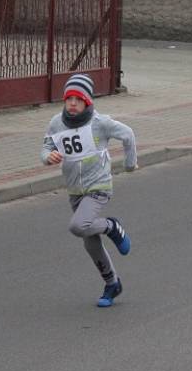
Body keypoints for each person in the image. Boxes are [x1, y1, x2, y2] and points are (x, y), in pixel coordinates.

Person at [41, 74, 137, 307]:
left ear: (87, 101)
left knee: (77, 226)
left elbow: (128, 135)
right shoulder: (56, 123)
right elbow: (46, 146)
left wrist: (129, 164)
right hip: (75, 189)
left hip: (99, 186)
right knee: (90, 242)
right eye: (69, 98)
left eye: (79, 98)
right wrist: (48, 157)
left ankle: (111, 226)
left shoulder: (99, 122)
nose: (72, 103)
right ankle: (112, 283)